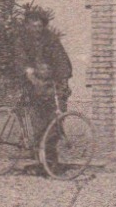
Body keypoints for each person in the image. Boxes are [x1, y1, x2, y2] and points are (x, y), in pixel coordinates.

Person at [13, 9, 73, 170]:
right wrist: (30, 76)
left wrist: (64, 80)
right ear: (27, 26)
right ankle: (42, 160)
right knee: (38, 124)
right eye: (33, 26)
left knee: (55, 121)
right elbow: (21, 61)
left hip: (49, 85)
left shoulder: (51, 39)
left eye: (40, 26)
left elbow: (61, 60)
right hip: (31, 85)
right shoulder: (22, 40)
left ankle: (50, 160)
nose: (37, 29)